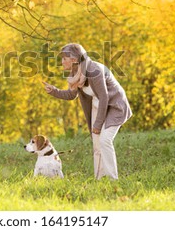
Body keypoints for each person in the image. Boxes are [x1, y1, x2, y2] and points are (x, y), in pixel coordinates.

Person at [42, 43, 132, 180]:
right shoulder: (75, 73)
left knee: (105, 140)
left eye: (63, 58)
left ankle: (113, 179)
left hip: (114, 105)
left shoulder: (93, 70)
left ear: (73, 59)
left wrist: (97, 124)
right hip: (99, 106)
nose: (61, 62)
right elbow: (72, 95)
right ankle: (100, 178)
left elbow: (104, 97)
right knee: (97, 145)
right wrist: (54, 91)